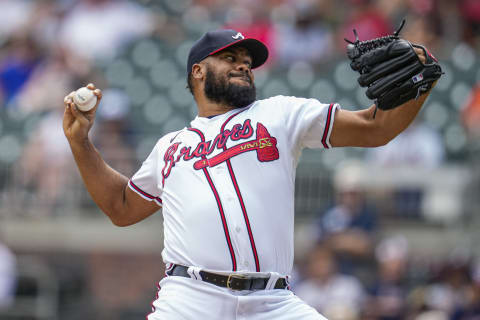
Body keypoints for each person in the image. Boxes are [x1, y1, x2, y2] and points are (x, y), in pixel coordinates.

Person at [63, 29, 436, 319]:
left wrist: (420, 84)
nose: (243, 64)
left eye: (247, 60)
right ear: (198, 71)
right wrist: (81, 143)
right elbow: (121, 207)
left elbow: (376, 128)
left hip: (273, 301)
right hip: (192, 299)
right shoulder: (170, 146)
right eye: (230, 58)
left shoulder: (280, 114)